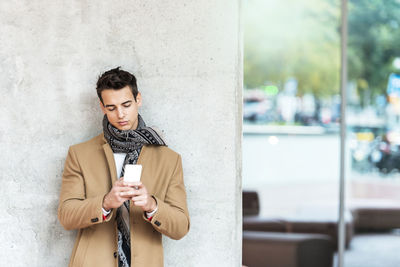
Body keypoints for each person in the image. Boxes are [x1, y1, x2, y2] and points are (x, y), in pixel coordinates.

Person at [58, 67, 190, 267]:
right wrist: (105, 203)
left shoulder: (169, 159)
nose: (120, 114)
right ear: (102, 107)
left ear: (138, 100)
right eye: (111, 108)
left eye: (126, 104)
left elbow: (180, 227)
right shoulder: (79, 154)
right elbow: (66, 216)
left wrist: (152, 205)